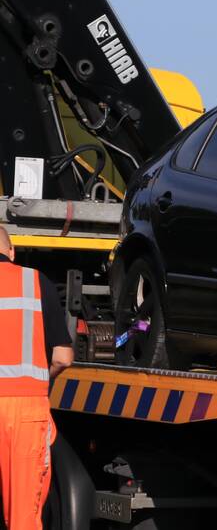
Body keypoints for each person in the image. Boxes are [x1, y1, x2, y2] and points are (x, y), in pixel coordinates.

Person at [0, 226, 73, 530]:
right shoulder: (34, 282)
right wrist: (41, 380)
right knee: (23, 515)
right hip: (25, 409)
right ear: (12, 252)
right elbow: (62, 358)